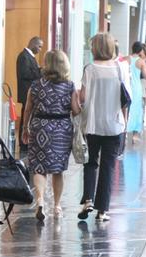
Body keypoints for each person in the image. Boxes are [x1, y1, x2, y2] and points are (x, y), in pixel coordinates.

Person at [21, 50, 81, 222]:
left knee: (39, 167)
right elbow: (76, 111)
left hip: (40, 127)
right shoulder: (69, 86)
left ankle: (40, 201)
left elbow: (27, 109)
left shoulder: (35, 85)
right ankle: (56, 205)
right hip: (61, 129)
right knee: (58, 170)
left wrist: (25, 128)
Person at [77, 32, 128, 223]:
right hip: (114, 125)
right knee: (108, 167)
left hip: (93, 124)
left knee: (90, 163)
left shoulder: (90, 69)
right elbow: (126, 100)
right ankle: (102, 211)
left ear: (95, 48)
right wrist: (125, 124)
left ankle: (88, 200)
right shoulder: (121, 68)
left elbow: (82, 98)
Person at [16, 36, 44, 147]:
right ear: (33, 44)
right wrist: (40, 71)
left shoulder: (29, 57)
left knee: (29, 118)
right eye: (39, 46)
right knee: (25, 119)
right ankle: (23, 143)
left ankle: (27, 141)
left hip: (30, 93)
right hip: (26, 92)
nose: (40, 49)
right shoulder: (24, 56)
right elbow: (25, 74)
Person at [127, 41, 146, 143]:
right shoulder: (141, 61)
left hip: (126, 87)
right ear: (140, 51)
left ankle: (124, 132)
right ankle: (135, 135)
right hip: (136, 88)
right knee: (137, 110)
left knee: (126, 109)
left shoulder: (126, 59)